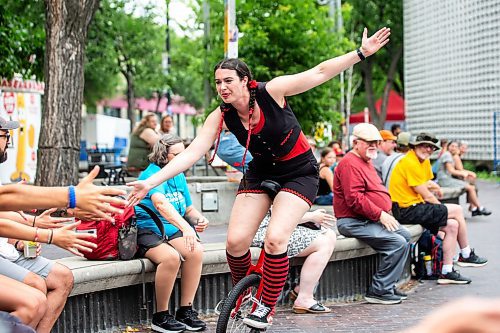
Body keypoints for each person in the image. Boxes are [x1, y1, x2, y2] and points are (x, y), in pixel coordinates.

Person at [128, 26, 390, 330]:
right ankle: (247, 293)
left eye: (228, 81)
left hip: (298, 172)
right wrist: (150, 182)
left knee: (276, 238)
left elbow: (318, 72)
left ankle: (266, 304)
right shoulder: (221, 115)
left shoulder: (271, 92)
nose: (222, 88)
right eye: (217, 83)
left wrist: (360, 54)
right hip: (261, 172)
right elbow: (192, 153)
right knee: (236, 242)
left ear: (244, 81)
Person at [389, 133, 488, 285]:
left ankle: (447, 271)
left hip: (415, 206)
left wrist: (435, 185)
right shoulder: (409, 161)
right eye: (423, 145)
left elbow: (426, 181)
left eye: (431, 147)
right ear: (414, 146)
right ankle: (465, 253)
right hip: (405, 209)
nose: (427, 149)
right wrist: (441, 209)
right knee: (456, 210)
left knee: (452, 226)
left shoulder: (423, 161)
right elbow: (426, 195)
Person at [135, 134, 209, 332]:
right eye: (177, 155)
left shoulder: (179, 175)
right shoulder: (152, 174)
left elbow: (187, 210)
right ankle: (160, 316)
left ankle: (185, 310)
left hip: (171, 230)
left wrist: (198, 219)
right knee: (170, 258)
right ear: (163, 155)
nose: (183, 159)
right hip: (147, 229)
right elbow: (160, 204)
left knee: (195, 251)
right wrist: (186, 228)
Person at [334, 123, 410, 305]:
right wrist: (380, 215)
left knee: (405, 236)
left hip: (367, 220)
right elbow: (354, 199)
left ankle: (388, 286)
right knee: (397, 242)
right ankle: (379, 290)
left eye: (376, 142)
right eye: (369, 142)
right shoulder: (349, 163)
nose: (374, 145)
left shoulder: (365, 161)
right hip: (353, 222)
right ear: (355, 143)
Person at [251, 209, 336, 314]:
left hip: (277, 227)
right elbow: (281, 216)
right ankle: (304, 298)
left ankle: (301, 290)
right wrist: (311, 216)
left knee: (329, 234)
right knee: (323, 243)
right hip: (263, 231)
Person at [436, 141, 490, 216]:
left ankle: (475, 207)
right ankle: (479, 207)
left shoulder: (450, 155)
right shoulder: (447, 155)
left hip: (447, 179)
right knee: (471, 187)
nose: (453, 148)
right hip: (445, 180)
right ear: (448, 146)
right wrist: (463, 173)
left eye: (455, 147)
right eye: (452, 146)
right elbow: (451, 170)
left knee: (471, 186)